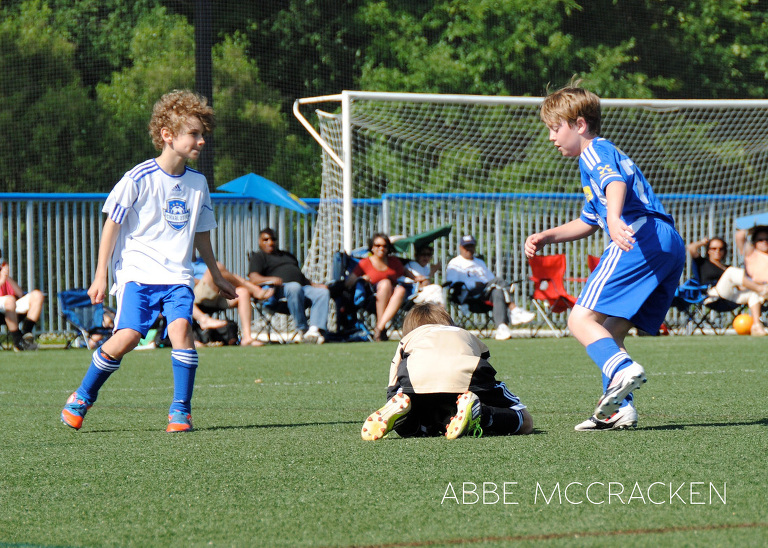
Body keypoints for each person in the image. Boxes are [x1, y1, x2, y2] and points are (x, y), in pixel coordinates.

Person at [60, 90, 237, 433]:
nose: (201, 140)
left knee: (182, 330)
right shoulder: (138, 178)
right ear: (168, 135)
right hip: (138, 274)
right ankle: (83, 395)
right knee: (126, 338)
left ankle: (180, 410)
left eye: (203, 134)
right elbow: (111, 225)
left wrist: (216, 274)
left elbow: (202, 235)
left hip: (177, 275)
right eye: (194, 133)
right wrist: (100, 276)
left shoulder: (199, 184)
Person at [525, 82, 685, 432]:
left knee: (579, 320)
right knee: (610, 332)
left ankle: (623, 370)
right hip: (668, 243)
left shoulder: (595, 151)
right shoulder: (595, 160)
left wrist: (614, 219)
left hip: (640, 235)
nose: (552, 137)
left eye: (555, 128)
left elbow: (615, 185)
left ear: (579, 125)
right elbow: (587, 221)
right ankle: (618, 410)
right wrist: (547, 236)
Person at [361, 302, 533, 440]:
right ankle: (481, 414)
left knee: (413, 422)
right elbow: (484, 360)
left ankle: (406, 421)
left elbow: (395, 379)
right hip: (466, 374)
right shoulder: (462, 333)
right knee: (524, 420)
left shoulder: (408, 339)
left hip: (418, 377)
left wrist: (393, 397)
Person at [445, 234, 535, 341]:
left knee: (498, 291)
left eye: (471, 246)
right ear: (460, 247)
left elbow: (490, 279)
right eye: (466, 246)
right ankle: (514, 310)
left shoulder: (479, 262)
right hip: (470, 294)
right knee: (499, 281)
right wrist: (471, 285)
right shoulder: (455, 263)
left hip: (485, 292)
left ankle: (502, 328)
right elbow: (451, 283)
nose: (469, 249)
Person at [248, 228, 329, 344]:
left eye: (273, 239)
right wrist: (270, 279)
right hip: (278, 293)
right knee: (294, 287)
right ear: (259, 241)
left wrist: (316, 285)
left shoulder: (288, 255)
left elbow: (301, 277)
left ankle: (314, 331)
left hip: (302, 289)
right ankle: (303, 330)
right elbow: (253, 278)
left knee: (323, 292)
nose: (270, 242)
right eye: (265, 240)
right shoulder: (259, 257)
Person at [687, 236, 768, 336]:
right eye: (714, 248)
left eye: (721, 249)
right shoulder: (703, 262)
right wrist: (703, 242)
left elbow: (741, 287)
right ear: (708, 250)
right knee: (731, 272)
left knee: (753, 293)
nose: (717, 251)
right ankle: (761, 288)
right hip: (712, 296)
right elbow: (691, 248)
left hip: (728, 298)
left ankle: (756, 325)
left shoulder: (726, 267)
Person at [192, 256, 274, 346]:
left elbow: (229, 276)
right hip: (195, 295)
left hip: (216, 292)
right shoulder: (182, 262)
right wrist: (210, 280)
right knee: (217, 268)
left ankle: (247, 337)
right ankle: (255, 291)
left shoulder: (203, 260)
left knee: (242, 292)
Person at [345, 233, 406, 341]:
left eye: (384, 246)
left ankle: (379, 328)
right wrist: (362, 278)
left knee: (400, 289)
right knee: (385, 283)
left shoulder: (394, 262)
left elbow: (407, 274)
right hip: (372, 298)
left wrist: (421, 278)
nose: (381, 248)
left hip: (394, 299)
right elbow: (348, 283)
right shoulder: (365, 263)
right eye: (377, 245)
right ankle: (381, 329)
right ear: (372, 247)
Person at [0, 251, 45, 351]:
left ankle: (25, 335)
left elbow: (20, 293)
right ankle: (18, 341)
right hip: (6, 304)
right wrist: (2, 280)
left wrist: (7, 277)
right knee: (10, 300)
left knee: (37, 295)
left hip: (10, 306)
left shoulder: (2, 273)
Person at [735, 226, 768, 335]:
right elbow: (739, 236)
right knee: (755, 293)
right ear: (754, 242)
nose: (764, 242)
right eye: (760, 240)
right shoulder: (751, 253)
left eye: (767, 239)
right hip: (757, 288)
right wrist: (750, 228)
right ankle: (756, 325)